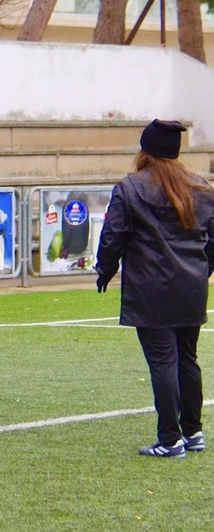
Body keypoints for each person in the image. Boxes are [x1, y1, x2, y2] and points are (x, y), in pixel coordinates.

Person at [95, 119, 214, 457]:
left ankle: (170, 437)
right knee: (187, 360)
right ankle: (193, 432)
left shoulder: (130, 188)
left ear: (145, 150)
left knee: (163, 361)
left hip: (151, 288)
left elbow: (113, 236)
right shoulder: (201, 187)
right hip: (190, 286)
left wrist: (105, 269)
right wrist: (203, 269)